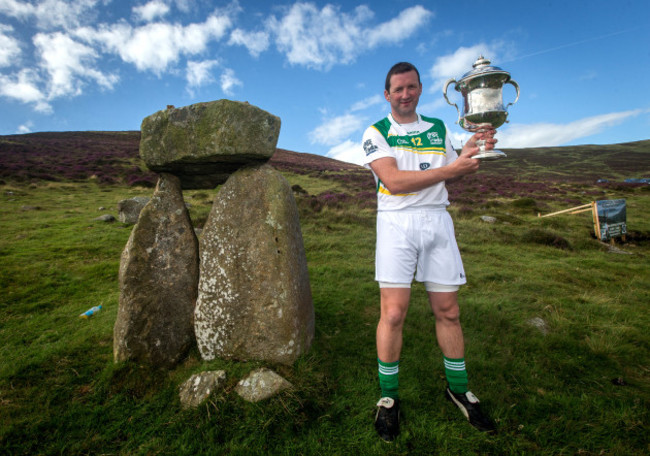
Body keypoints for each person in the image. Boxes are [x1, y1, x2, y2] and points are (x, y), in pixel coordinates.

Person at [361, 61, 497, 442]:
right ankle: (388, 398)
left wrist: (473, 149)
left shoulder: (438, 128)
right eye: (398, 89)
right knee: (392, 313)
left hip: (437, 221)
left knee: (449, 311)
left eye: (411, 87)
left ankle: (459, 387)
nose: (405, 94)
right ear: (387, 95)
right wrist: (450, 173)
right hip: (395, 224)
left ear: (420, 88)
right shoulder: (377, 132)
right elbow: (394, 181)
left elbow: (454, 165)